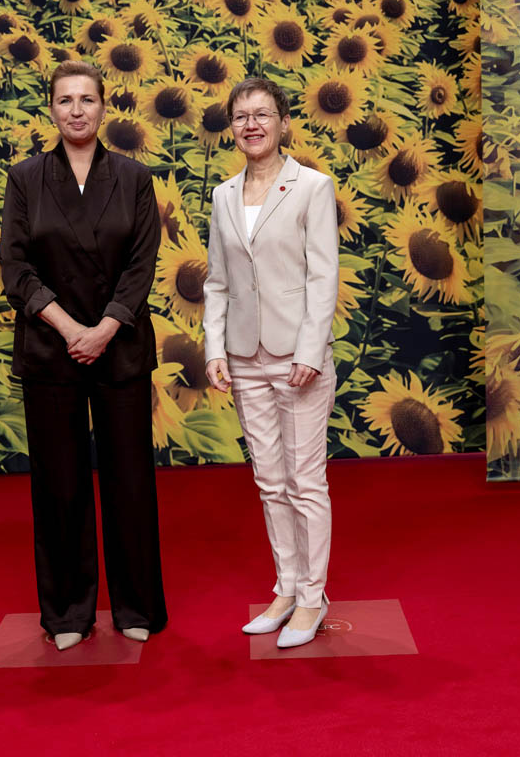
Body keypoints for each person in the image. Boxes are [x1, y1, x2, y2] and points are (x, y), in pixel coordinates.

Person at [0, 61, 167, 651]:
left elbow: (142, 264)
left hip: (119, 346)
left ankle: (136, 604)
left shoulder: (134, 177)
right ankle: (69, 613)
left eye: (87, 99)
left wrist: (105, 329)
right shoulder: (24, 178)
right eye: (65, 100)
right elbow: (15, 266)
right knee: (60, 485)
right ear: (51, 109)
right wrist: (71, 327)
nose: (76, 110)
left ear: (104, 107)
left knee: (129, 481)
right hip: (52, 346)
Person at [202, 77, 339, 648]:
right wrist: (214, 348)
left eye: (262, 114)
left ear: (283, 123)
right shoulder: (223, 195)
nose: (251, 125)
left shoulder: (313, 187)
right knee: (270, 482)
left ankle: (312, 598)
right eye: (241, 116)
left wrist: (310, 350)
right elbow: (217, 282)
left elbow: (323, 276)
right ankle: (285, 589)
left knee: (305, 482)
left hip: (298, 359)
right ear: (231, 128)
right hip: (244, 358)